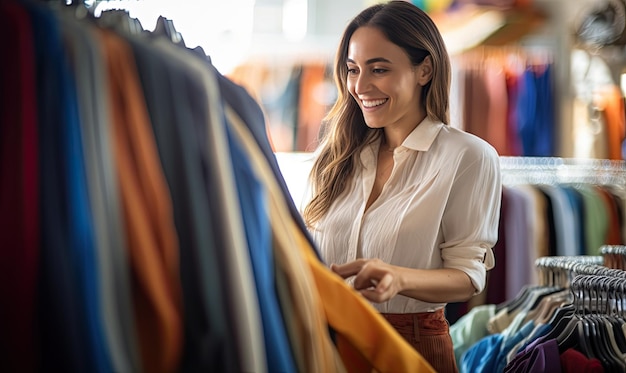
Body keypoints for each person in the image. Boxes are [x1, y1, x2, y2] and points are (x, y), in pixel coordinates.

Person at [301, 1, 502, 372]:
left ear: (424, 69)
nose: (360, 87)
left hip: (410, 344)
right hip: (322, 341)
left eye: (379, 69)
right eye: (352, 70)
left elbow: (468, 277)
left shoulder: (469, 157)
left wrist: (399, 278)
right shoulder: (332, 158)